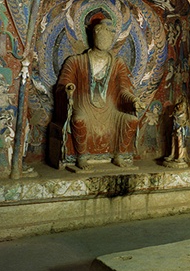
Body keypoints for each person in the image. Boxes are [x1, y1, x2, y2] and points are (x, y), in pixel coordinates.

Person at [56, 20, 142, 170]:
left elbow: (124, 90)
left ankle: (119, 155)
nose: (103, 38)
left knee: (131, 120)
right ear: (92, 36)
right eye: (99, 33)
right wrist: (68, 88)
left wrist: (133, 100)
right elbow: (63, 85)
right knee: (79, 120)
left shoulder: (118, 64)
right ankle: (82, 157)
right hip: (85, 106)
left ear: (112, 39)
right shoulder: (76, 61)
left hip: (109, 110)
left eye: (107, 35)